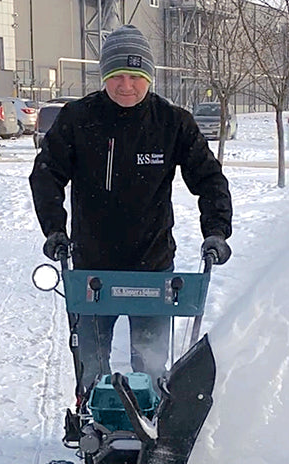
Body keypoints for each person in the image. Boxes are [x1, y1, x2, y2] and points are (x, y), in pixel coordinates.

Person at [29, 24, 232, 396]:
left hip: (152, 268)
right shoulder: (78, 119)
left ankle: (153, 427)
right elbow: (46, 175)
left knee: (152, 366)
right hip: (92, 268)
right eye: (117, 76)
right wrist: (54, 229)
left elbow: (209, 178)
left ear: (148, 77)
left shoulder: (172, 123)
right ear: (104, 76)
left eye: (136, 76)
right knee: (91, 363)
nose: (127, 85)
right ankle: (94, 425)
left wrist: (216, 230)